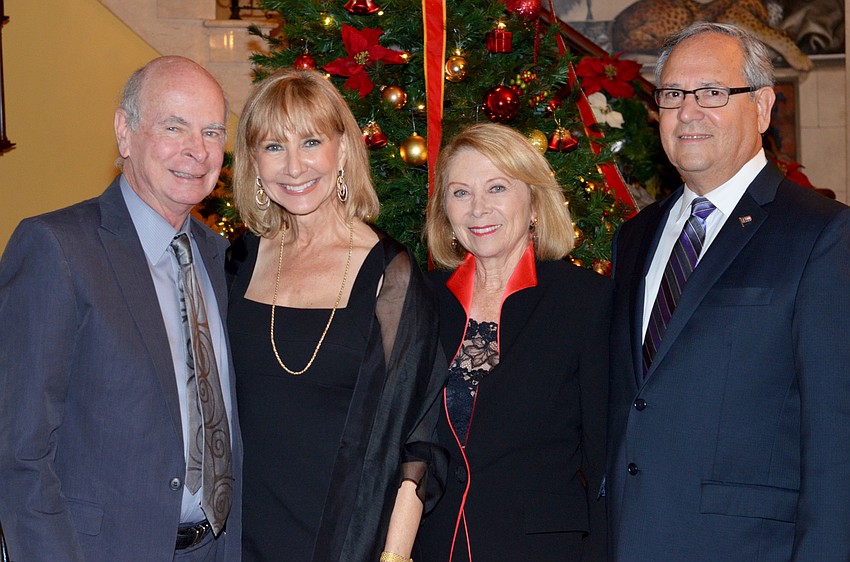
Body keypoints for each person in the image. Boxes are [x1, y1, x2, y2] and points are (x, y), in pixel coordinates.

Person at [607, 22, 850, 562]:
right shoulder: (636, 235)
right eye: (672, 94)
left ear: (763, 108)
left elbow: (837, 435)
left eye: (713, 92)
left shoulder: (822, 234)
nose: (688, 112)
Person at [0, 56, 242, 560]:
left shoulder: (220, 259)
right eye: (174, 127)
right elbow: (19, 453)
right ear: (125, 132)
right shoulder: (57, 248)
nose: (197, 151)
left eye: (212, 132)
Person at [226, 68, 446, 562]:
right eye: (273, 147)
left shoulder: (393, 278)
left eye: (310, 141)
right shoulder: (237, 262)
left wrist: (393, 557)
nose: (294, 166)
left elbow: (419, 442)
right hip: (237, 538)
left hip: (344, 541)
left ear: (343, 150)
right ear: (254, 163)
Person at [415, 123, 611, 561]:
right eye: (460, 193)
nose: (477, 209)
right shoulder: (420, 300)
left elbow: (605, 462)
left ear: (535, 203)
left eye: (497, 188)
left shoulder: (585, 302)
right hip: (433, 545)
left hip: (542, 550)